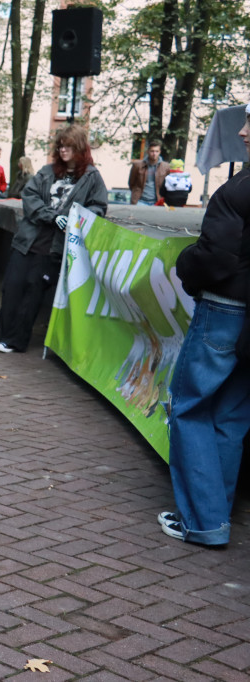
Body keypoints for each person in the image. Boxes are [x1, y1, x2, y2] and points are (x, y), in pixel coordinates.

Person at [158, 105, 250, 547]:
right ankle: (213, 516)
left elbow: (215, 258)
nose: (244, 132)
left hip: (225, 312)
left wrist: (184, 263)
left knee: (190, 409)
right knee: (231, 417)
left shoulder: (236, 192)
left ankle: (205, 522)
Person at [0, 125, 108, 353]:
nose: (63, 150)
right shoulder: (48, 172)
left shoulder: (91, 177)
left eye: (68, 146)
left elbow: (98, 207)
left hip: (54, 248)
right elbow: (29, 196)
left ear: (79, 148)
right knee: (11, 287)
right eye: (60, 146)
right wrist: (51, 216)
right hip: (28, 240)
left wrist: (74, 220)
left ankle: (15, 341)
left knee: (33, 291)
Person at [128, 139, 168, 206]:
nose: (154, 154)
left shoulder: (165, 167)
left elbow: (167, 185)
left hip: (157, 202)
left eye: (156, 151)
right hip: (140, 201)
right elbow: (131, 183)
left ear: (160, 152)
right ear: (147, 151)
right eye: (152, 151)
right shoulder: (137, 165)